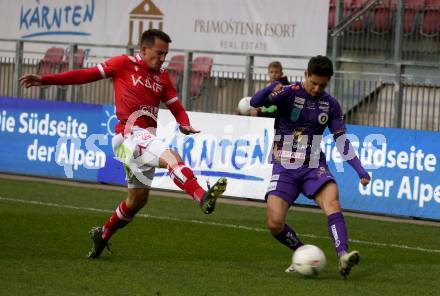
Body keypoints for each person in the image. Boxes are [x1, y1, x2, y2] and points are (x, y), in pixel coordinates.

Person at [20, 29, 227, 258]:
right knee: (172, 156)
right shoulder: (123, 64)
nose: (162, 58)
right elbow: (84, 75)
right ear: (144, 49)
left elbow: (176, 106)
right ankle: (201, 195)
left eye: (165, 54)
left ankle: (104, 234)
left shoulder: (163, 77)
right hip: (127, 136)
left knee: (137, 200)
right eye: (159, 53)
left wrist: (184, 123)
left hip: (143, 140)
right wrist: (45, 79)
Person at [250, 55, 370, 278]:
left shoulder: (330, 104)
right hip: (284, 165)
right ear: (306, 74)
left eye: (322, 85)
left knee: (332, 202)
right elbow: (255, 103)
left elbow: (341, 139)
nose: (316, 88)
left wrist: (360, 170)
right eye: (313, 82)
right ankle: (302, 253)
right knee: (274, 223)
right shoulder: (288, 92)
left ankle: (343, 254)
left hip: (313, 164)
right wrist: (271, 87)